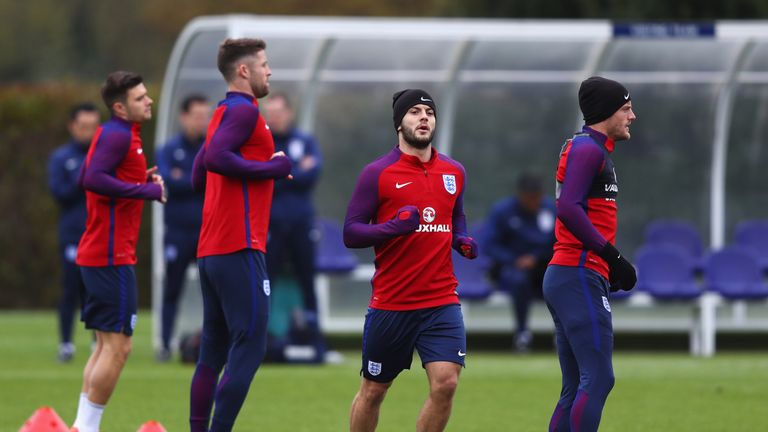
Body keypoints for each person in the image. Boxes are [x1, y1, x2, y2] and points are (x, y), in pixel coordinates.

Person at [344, 89, 478, 432]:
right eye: (415, 112)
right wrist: (391, 228)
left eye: (429, 113)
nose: (423, 118)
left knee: (446, 383)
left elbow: (456, 217)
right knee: (374, 391)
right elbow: (352, 233)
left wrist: (460, 239)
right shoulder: (377, 173)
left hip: (441, 301)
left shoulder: (455, 171)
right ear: (399, 123)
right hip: (392, 303)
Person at [188, 38, 292, 431]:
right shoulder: (245, 112)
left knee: (212, 353)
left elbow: (201, 174)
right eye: (264, 64)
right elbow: (215, 160)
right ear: (244, 71)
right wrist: (272, 168)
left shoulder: (222, 112)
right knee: (249, 346)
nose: (269, 71)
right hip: (239, 246)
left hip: (212, 248)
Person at [72, 71, 166, 432]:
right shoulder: (117, 134)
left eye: (146, 95)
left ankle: (82, 425)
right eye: (140, 98)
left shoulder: (121, 134)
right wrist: (145, 191)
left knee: (104, 346)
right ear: (119, 107)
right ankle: (86, 427)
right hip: (111, 256)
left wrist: (139, 182)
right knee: (118, 348)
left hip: (101, 254)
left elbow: (91, 175)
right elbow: (93, 178)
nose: (149, 100)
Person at [542, 76, 638, 432]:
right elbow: (569, 208)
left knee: (576, 386)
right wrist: (612, 257)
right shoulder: (587, 149)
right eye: (626, 108)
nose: (632, 116)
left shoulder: (590, 149)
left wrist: (607, 260)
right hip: (577, 273)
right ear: (606, 112)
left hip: (571, 274)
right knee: (598, 379)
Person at [263, 92, 325, 362]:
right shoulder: (261, 143)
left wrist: (279, 172)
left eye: (279, 112)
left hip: (301, 224)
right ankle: (262, 342)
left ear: (289, 113)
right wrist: (292, 171)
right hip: (270, 225)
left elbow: (312, 175)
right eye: (270, 113)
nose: (275, 117)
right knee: (265, 282)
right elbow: (261, 179)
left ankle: (316, 341)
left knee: (307, 282)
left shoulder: (304, 140)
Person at [155, 94, 211, 361]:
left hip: (207, 233)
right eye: (197, 116)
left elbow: (209, 180)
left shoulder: (211, 147)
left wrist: (185, 177)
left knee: (212, 290)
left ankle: (209, 341)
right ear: (184, 117)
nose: (202, 122)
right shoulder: (168, 149)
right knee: (172, 289)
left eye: (205, 116)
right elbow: (170, 181)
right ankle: (165, 343)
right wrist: (195, 179)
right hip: (177, 232)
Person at [47, 102, 100, 362]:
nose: (88, 132)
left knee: (98, 290)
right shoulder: (61, 158)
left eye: (93, 127)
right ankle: (66, 343)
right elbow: (60, 193)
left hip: (101, 233)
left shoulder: (105, 155)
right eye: (83, 127)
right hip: (73, 234)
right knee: (70, 288)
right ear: (72, 127)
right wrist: (86, 176)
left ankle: (97, 342)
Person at [484, 173, 556, 352]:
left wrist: (538, 258)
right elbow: (490, 245)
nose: (534, 202)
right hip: (512, 267)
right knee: (519, 280)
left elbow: (560, 241)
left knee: (563, 280)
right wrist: (514, 259)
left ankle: (562, 333)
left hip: (544, 266)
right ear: (520, 194)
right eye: (529, 198)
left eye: (537, 197)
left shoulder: (551, 210)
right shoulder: (502, 211)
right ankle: (522, 333)